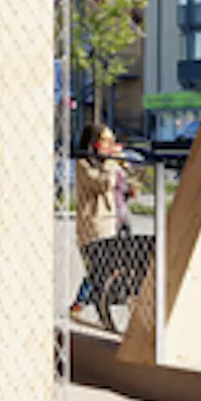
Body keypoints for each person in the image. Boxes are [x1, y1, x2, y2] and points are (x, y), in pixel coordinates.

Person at [71, 121, 129, 318]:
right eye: (106, 140)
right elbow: (102, 184)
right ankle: (80, 303)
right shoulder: (84, 164)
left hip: (114, 221)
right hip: (95, 224)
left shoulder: (108, 164)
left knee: (107, 267)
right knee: (100, 267)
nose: (110, 144)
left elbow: (122, 184)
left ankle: (96, 304)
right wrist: (111, 162)